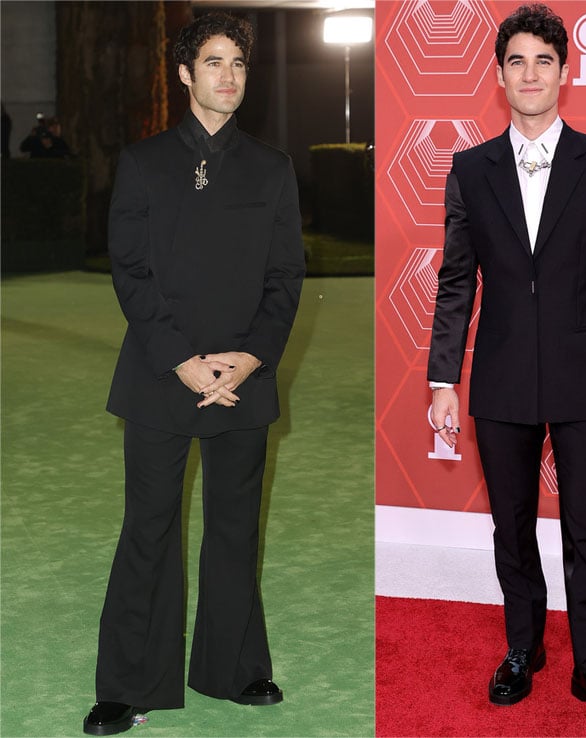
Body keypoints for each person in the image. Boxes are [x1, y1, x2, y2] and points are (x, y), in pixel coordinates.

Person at [428, 4, 586, 734]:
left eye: (544, 61)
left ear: (565, 72)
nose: (530, 74)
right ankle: (522, 650)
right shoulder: (468, 170)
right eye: (517, 61)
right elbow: (456, 281)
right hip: (498, 376)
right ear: (499, 76)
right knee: (511, 526)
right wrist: (442, 379)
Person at [83, 12, 305, 736]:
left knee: (236, 529)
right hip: (158, 373)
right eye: (213, 63)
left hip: (244, 375)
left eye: (238, 63)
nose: (229, 76)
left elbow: (285, 277)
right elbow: (132, 272)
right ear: (185, 75)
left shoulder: (272, 169)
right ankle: (128, 684)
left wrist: (248, 356)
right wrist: (181, 359)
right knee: (149, 527)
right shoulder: (145, 163)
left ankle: (234, 669)